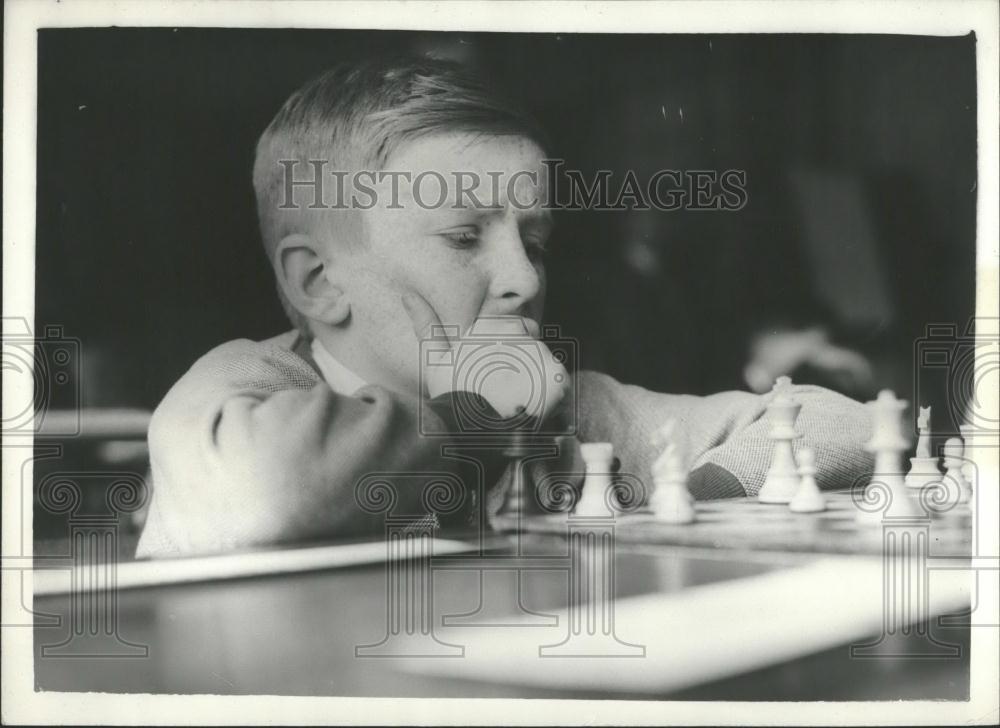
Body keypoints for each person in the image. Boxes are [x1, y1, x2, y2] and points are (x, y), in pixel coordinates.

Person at [136, 57, 871, 558]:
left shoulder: (568, 410)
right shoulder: (238, 392)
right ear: (319, 283)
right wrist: (476, 425)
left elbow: (840, 422)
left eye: (536, 242)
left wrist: (694, 491)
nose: (523, 278)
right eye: (464, 237)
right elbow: (264, 496)